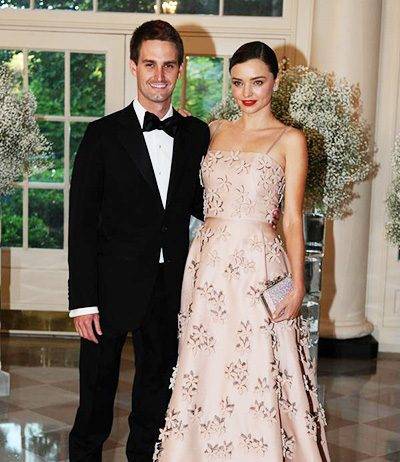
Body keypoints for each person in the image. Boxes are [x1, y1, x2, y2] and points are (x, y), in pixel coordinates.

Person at [154, 41, 330, 461]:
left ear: (276, 81)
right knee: (207, 364)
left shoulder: (290, 140)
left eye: (257, 82)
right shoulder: (213, 130)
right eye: (237, 83)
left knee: (256, 365)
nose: (246, 93)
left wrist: (298, 285)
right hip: (208, 265)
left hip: (259, 266)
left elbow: (292, 219)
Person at [67, 20, 210, 462]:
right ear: (134, 66)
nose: (159, 76)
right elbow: (81, 223)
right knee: (94, 403)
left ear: (181, 68)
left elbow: (205, 203)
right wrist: (83, 302)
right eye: (150, 64)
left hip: (170, 287)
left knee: (155, 402)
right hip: (109, 289)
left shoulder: (196, 134)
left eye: (168, 65)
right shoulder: (102, 135)